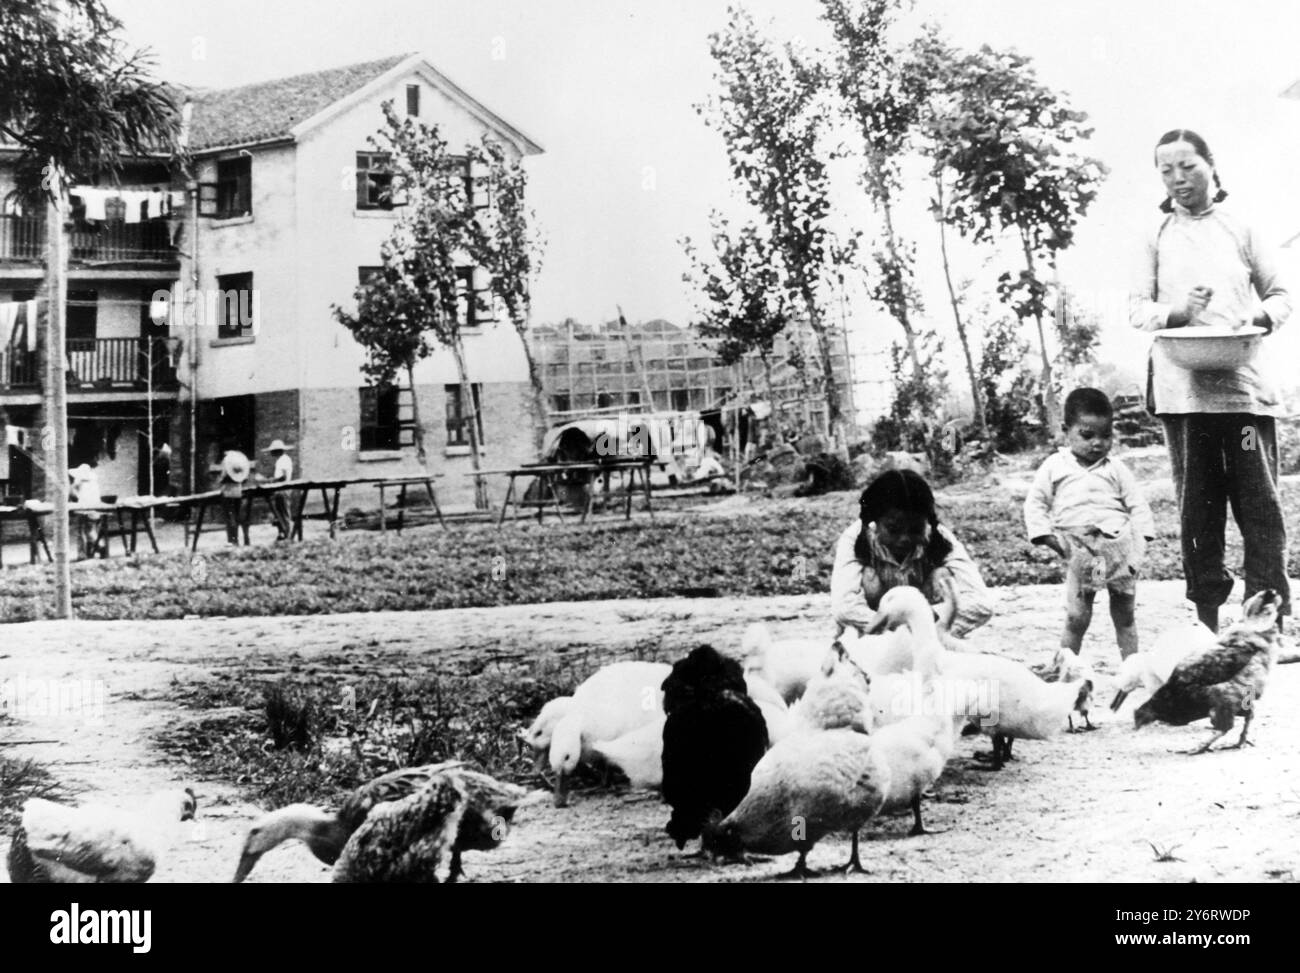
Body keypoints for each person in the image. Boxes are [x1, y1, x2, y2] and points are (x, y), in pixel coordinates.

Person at [1130, 128, 1292, 634]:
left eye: (1189, 167)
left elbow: (1283, 294)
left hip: (1243, 396)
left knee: (1258, 503)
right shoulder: (1154, 236)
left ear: (1211, 165)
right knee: (1198, 508)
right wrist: (1179, 310)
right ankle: (1205, 621)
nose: (1179, 179)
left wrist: (1258, 316)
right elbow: (1137, 310)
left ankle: (1268, 619)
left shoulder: (1240, 227)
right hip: (1186, 395)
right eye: (1167, 170)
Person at [1024, 388, 1155, 660]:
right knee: (1076, 616)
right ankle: (1064, 672)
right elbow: (1035, 503)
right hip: (1081, 552)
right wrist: (1050, 539)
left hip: (1117, 549)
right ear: (1066, 430)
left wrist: (1140, 544)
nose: (1097, 443)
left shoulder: (1115, 468)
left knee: (1125, 616)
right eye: (1087, 435)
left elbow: (1138, 506)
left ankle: (1131, 670)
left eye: (1106, 436)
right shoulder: (1055, 466)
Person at [831, 468, 994, 638]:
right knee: (869, 579)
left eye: (915, 530)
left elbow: (982, 604)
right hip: (874, 636)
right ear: (875, 522)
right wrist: (895, 629)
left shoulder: (940, 538)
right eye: (893, 529)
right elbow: (843, 608)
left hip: (926, 634)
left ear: (927, 523)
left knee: (943, 577)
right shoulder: (855, 537)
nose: (904, 539)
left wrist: (922, 620)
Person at [216, 446, 252, 545]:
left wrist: (220, 480)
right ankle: (236, 539)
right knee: (236, 516)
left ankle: (232, 540)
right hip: (238, 492)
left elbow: (222, 478)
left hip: (227, 492)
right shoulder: (240, 469)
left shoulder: (226, 465)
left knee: (229, 517)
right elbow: (244, 479)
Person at [69, 463, 103, 559]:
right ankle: (92, 550)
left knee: (83, 531)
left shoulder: (79, 481)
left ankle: (86, 552)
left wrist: (73, 491)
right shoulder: (94, 482)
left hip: (84, 508)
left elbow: (72, 494)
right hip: (96, 508)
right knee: (92, 529)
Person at [263, 439, 295, 540]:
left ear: (277, 451)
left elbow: (284, 476)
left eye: (272, 451)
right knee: (279, 513)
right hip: (280, 489)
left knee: (284, 512)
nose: (271, 453)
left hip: (283, 489)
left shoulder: (284, 460)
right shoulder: (281, 460)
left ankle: (288, 534)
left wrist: (272, 480)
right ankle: (283, 533)